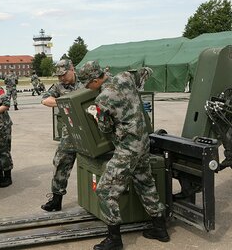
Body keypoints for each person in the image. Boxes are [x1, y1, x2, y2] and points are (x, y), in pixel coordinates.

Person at [76, 61, 169, 250]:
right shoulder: (125, 77)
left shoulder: (102, 99)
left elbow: (106, 128)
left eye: (87, 84)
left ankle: (114, 240)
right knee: (145, 182)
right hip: (143, 142)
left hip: (127, 147)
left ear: (95, 80)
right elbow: (146, 72)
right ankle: (159, 228)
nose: (86, 88)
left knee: (104, 190)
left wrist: (95, 115)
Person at [40, 59, 84, 212]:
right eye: (58, 76)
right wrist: (66, 102)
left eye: (63, 75)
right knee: (61, 163)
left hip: (92, 131)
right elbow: (45, 99)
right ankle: (56, 200)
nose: (61, 78)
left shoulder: (86, 81)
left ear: (72, 69)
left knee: (95, 165)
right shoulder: (59, 86)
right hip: (70, 132)